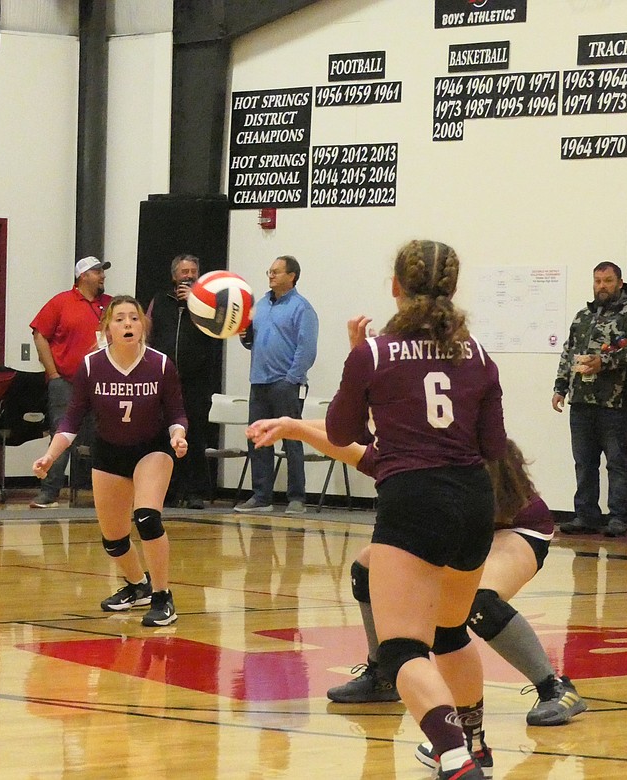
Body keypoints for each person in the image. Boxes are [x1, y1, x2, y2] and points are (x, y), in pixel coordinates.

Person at [248, 416, 587, 728]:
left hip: (515, 525)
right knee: (368, 567)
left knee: (478, 600)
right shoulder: (401, 449)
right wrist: (293, 427)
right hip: (452, 523)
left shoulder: (444, 447)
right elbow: (345, 440)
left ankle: (554, 687)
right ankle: (383, 674)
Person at [324, 240, 506, 780]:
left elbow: (340, 433)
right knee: (450, 632)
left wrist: (357, 356)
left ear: (396, 288)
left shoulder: (374, 353)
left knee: (402, 649)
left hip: (414, 499)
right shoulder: (475, 352)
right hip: (475, 499)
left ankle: (453, 756)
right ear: (451, 289)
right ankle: (476, 744)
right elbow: (493, 445)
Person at [32, 295, 188, 626]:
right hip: (109, 451)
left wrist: (178, 434)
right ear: (107, 328)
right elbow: (72, 420)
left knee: (146, 518)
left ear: (143, 326)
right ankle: (137, 585)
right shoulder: (92, 366)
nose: (128, 323)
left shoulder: (161, 365)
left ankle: (162, 597)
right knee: (114, 539)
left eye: (134, 318)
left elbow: (176, 413)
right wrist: (49, 455)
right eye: (120, 319)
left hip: (153, 449)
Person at [552, 262, 627, 538]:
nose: (602, 286)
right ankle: (586, 514)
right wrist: (560, 387)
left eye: (608, 281)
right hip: (582, 401)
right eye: (597, 281)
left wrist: (605, 362)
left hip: (615, 403)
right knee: (584, 461)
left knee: (616, 462)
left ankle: (619, 516)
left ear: (619, 283)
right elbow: (568, 352)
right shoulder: (583, 316)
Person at [234, 255, 318, 514]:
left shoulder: (302, 308)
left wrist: (291, 378)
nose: (270, 275)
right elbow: (251, 342)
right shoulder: (259, 305)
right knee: (258, 439)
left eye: (276, 272)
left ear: (291, 276)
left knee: (292, 439)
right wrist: (244, 336)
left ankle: (296, 498)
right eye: (269, 271)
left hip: (286, 383)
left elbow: (306, 350)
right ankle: (261, 497)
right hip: (258, 381)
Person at [28, 255, 113, 508]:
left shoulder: (110, 305)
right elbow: (39, 334)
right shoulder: (61, 302)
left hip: (102, 385)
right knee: (61, 436)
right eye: (98, 272)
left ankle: (107, 492)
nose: (103, 276)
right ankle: (49, 492)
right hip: (65, 382)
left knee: (106, 436)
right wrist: (52, 373)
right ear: (83, 276)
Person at [146, 253, 221, 509]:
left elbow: (220, 331)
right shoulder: (159, 300)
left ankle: (194, 492)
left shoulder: (211, 303)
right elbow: (147, 331)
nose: (188, 276)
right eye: (183, 271)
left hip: (197, 382)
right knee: (162, 437)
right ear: (174, 276)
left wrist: (196, 304)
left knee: (195, 436)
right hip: (164, 382)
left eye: (193, 271)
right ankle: (165, 490)